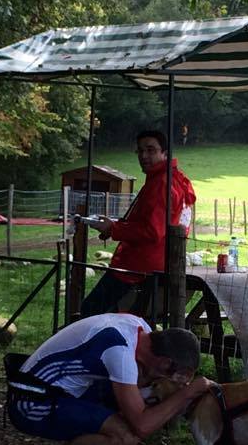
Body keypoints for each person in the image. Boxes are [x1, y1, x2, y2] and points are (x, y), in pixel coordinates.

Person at [7, 313, 213, 445]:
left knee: (125, 401)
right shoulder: (119, 351)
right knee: (126, 436)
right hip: (32, 403)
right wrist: (186, 394)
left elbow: (136, 386)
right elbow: (142, 426)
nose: (174, 381)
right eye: (175, 376)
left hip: (50, 390)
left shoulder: (139, 329)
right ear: (166, 362)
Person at [81, 130, 196, 317]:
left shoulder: (162, 184)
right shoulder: (171, 179)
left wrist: (114, 228)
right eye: (140, 151)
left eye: (151, 150)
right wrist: (115, 226)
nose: (143, 156)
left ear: (165, 153)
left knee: (92, 314)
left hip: (138, 267)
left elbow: (153, 231)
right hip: (154, 264)